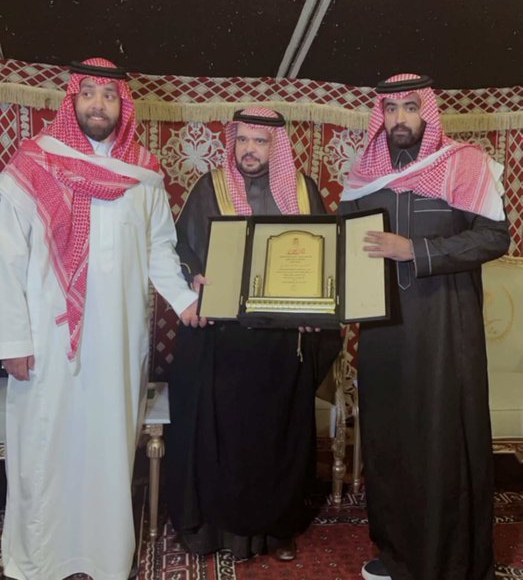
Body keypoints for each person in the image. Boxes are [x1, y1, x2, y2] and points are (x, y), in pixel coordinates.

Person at [0, 58, 204, 580]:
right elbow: (5, 256)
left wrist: (186, 301)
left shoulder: (144, 174)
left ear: (122, 105)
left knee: (108, 448)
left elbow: (160, 249)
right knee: (46, 444)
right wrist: (12, 339)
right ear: (72, 99)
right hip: (48, 340)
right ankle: (39, 560)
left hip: (116, 340)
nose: (98, 104)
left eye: (108, 95)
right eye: (88, 93)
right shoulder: (33, 164)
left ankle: (105, 558)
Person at [339, 73, 511, 580]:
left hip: (445, 332)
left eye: (410, 108)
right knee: (389, 441)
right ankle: (398, 556)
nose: (399, 119)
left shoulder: (466, 164)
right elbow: (344, 247)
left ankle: (451, 563)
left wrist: (415, 250)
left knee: (442, 441)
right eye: (391, 109)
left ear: (427, 113)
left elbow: (494, 238)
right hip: (384, 331)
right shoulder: (364, 176)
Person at [165, 106, 340, 561]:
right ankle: (218, 532)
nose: (249, 149)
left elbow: (324, 259)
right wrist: (194, 276)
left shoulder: (303, 191)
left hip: (281, 342)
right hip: (224, 341)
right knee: (223, 439)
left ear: (276, 147)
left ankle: (275, 532)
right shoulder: (211, 187)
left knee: (275, 437)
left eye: (259, 142)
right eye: (242, 140)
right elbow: (181, 247)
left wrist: (315, 311)